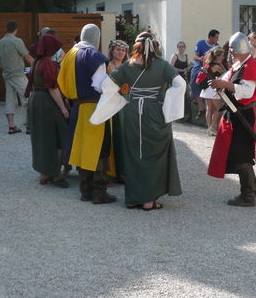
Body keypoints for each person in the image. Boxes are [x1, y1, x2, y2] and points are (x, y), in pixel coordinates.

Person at [91, 31, 185, 211]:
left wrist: (121, 101)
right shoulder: (163, 66)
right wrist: (168, 105)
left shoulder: (128, 65)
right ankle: (149, 200)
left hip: (133, 112)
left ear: (136, 47)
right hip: (154, 113)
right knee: (153, 154)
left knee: (134, 154)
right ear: (155, 47)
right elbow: (180, 84)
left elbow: (106, 85)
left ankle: (134, 198)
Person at [58, 24, 116, 204]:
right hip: (94, 108)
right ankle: (99, 192)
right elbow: (102, 85)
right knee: (98, 150)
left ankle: (85, 191)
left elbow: (61, 81)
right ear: (96, 38)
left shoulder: (69, 55)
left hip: (77, 108)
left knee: (83, 148)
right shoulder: (94, 56)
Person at [207, 32, 256, 207]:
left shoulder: (251, 66)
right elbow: (225, 80)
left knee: (243, 155)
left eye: (232, 48)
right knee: (235, 153)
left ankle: (248, 195)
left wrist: (224, 85)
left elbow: (246, 91)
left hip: (244, 114)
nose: (230, 51)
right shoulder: (238, 65)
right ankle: (246, 193)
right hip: (234, 114)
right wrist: (218, 83)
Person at [27, 34, 70, 188]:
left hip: (36, 101)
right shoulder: (48, 64)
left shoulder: (36, 62)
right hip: (47, 102)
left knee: (41, 138)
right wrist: (63, 108)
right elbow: (52, 88)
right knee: (57, 137)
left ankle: (44, 174)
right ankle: (57, 174)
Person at [0, 20, 34, 134]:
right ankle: (29, 126)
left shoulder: (0, 42)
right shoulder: (17, 41)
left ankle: (11, 126)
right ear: (16, 29)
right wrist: (37, 64)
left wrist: (5, 70)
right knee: (29, 97)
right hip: (18, 74)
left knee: (10, 100)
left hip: (7, 75)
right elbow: (27, 57)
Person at [107, 39, 130, 183]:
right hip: (112, 103)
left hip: (126, 103)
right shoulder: (107, 66)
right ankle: (110, 172)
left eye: (123, 50)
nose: (120, 52)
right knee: (112, 136)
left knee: (125, 137)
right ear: (112, 51)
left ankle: (123, 172)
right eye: (118, 50)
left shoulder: (129, 66)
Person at [190, 29, 220, 119]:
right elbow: (195, 56)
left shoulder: (217, 46)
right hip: (199, 65)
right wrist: (200, 59)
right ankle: (201, 105)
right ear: (210, 37)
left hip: (211, 67)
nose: (217, 39)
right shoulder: (200, 43)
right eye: (216, 37)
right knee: (194, 80)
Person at [199, 46, 227, 136]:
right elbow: (226, 74)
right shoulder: (217, 66)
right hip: (213, 89)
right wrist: (221, 64)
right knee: (220, 109)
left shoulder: (209, 63)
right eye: (222, 55)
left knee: (209, 108)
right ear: (217, 56)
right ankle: (212, 128)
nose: (223, 57)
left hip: (207, 89)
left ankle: (209, 128)